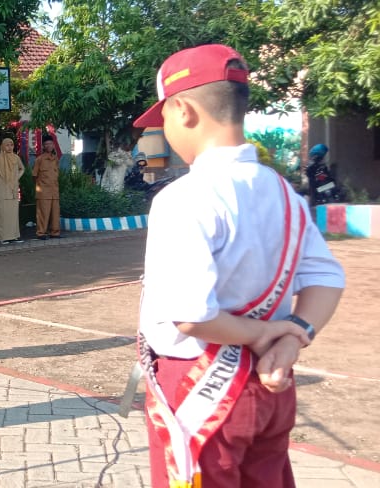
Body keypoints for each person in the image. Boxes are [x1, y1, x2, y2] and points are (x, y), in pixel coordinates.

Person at [133, 44, 345, 488]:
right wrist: (292, 339)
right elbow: (326, 277)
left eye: (163, 121)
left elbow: (191, 314)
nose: (164, 132)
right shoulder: (284, 192)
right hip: (272, 383)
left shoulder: (184, 198)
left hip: (202, 387)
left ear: (184, 111)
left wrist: (261, 333)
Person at [0, 137, 25, 243]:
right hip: (2, 191)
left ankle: (13, 236)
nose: (10, 147)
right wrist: (2, 179)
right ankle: (2, 237)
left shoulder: (16, 158)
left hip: (13, 190)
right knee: (2, 215)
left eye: (11, 145)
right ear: (3, 146)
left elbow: (22, 168)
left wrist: (16, 177)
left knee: (13, 216)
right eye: (7, 145)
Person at [31, 137, 61, 239]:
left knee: (55, 213)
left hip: (54, 191)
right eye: (47, 144)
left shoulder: (55, 158)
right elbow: (34, 175)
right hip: (43, 192)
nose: (49, 146)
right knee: (43, 214)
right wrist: (40, 186)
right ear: (43, 146)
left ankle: (55, 232)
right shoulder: (39, 159)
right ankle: (41, 233)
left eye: (51, 144)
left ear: (53, 145)